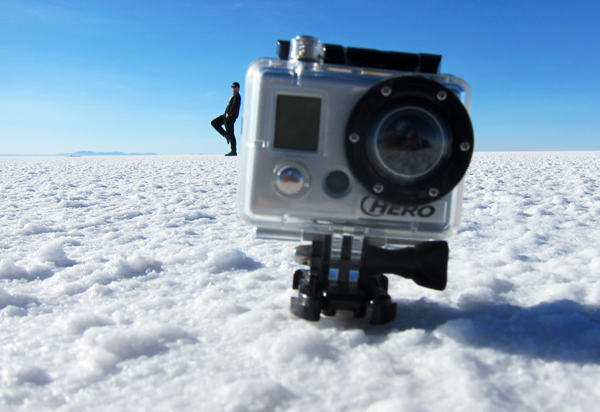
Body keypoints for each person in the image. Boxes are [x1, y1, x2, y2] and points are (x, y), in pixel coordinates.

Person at [211, 82, 241, 156]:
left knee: (231, 133)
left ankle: (233, 151)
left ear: (238, 88)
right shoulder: (233, 96)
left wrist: (230, 113)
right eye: (232, 87)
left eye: (235, 87)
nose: (233, 88)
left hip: (230, 117)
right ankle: (225, 135)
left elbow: (235, 106)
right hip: (225, 116)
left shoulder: (237, 96)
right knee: (214, 123)